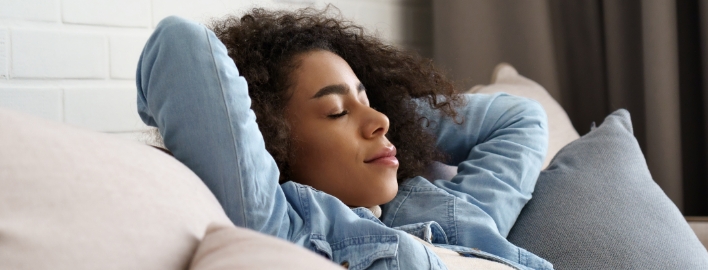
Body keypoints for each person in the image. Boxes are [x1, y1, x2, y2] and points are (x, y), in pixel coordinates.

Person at [136, 6, 551, 270]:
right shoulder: (284, 225)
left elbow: (520, 117)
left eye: (368, 99)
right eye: (336, 112)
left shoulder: (451, 212)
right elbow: (180, 45)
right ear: (274, 146)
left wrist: (391, 112)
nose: (380, 121)